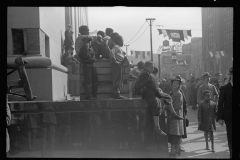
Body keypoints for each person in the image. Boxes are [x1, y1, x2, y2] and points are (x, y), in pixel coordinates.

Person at [134, 61, 183, 135]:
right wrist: (157, 91)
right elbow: (144, 86)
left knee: (167, 97)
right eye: (152, 67)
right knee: (157, 104)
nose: (153, 68)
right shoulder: (145, 74)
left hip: (151, 92)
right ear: (147, 67)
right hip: (148, 94)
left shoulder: (147, 74)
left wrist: (157, 90)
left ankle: (173, 113)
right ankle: (157, 127)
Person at [167, 76, 185, 157]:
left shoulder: (179, 93)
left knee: (175, 134)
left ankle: (174, 150)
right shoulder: (171, 93)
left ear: (179, 85)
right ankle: (174, 150)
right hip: (171, 115)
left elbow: (177, 105)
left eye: (177, 83)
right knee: (171, 133)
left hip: (176, 115)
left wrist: (167, 107)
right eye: (174, 83)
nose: (175, 84)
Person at [217, 66, 232, 158]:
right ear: (230, 75)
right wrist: (220, 117)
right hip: (229, 117)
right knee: (231, 137)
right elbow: (220, 103)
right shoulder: (225, 88)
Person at [78, 36, 98, 100]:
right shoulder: (83, 48)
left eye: (89, 41)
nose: (88, 42)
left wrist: (91, 52)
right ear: (84, 42)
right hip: (87, 65)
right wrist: (88, 52)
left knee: (95, 81)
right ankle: (89, 96)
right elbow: (84, 57)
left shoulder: (91, 48)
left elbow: (94, 56)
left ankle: (94, 95)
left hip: (92, 64)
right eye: (87, 41)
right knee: (88, 81)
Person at [110, 34, 127, 99]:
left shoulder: (117, 47)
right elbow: (112, 53)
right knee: (117, 78)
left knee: (119, 79)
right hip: (117, 65)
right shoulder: (116, 47)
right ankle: (116, 94)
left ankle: (117, 93)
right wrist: (115, 61)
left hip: (119, 64)